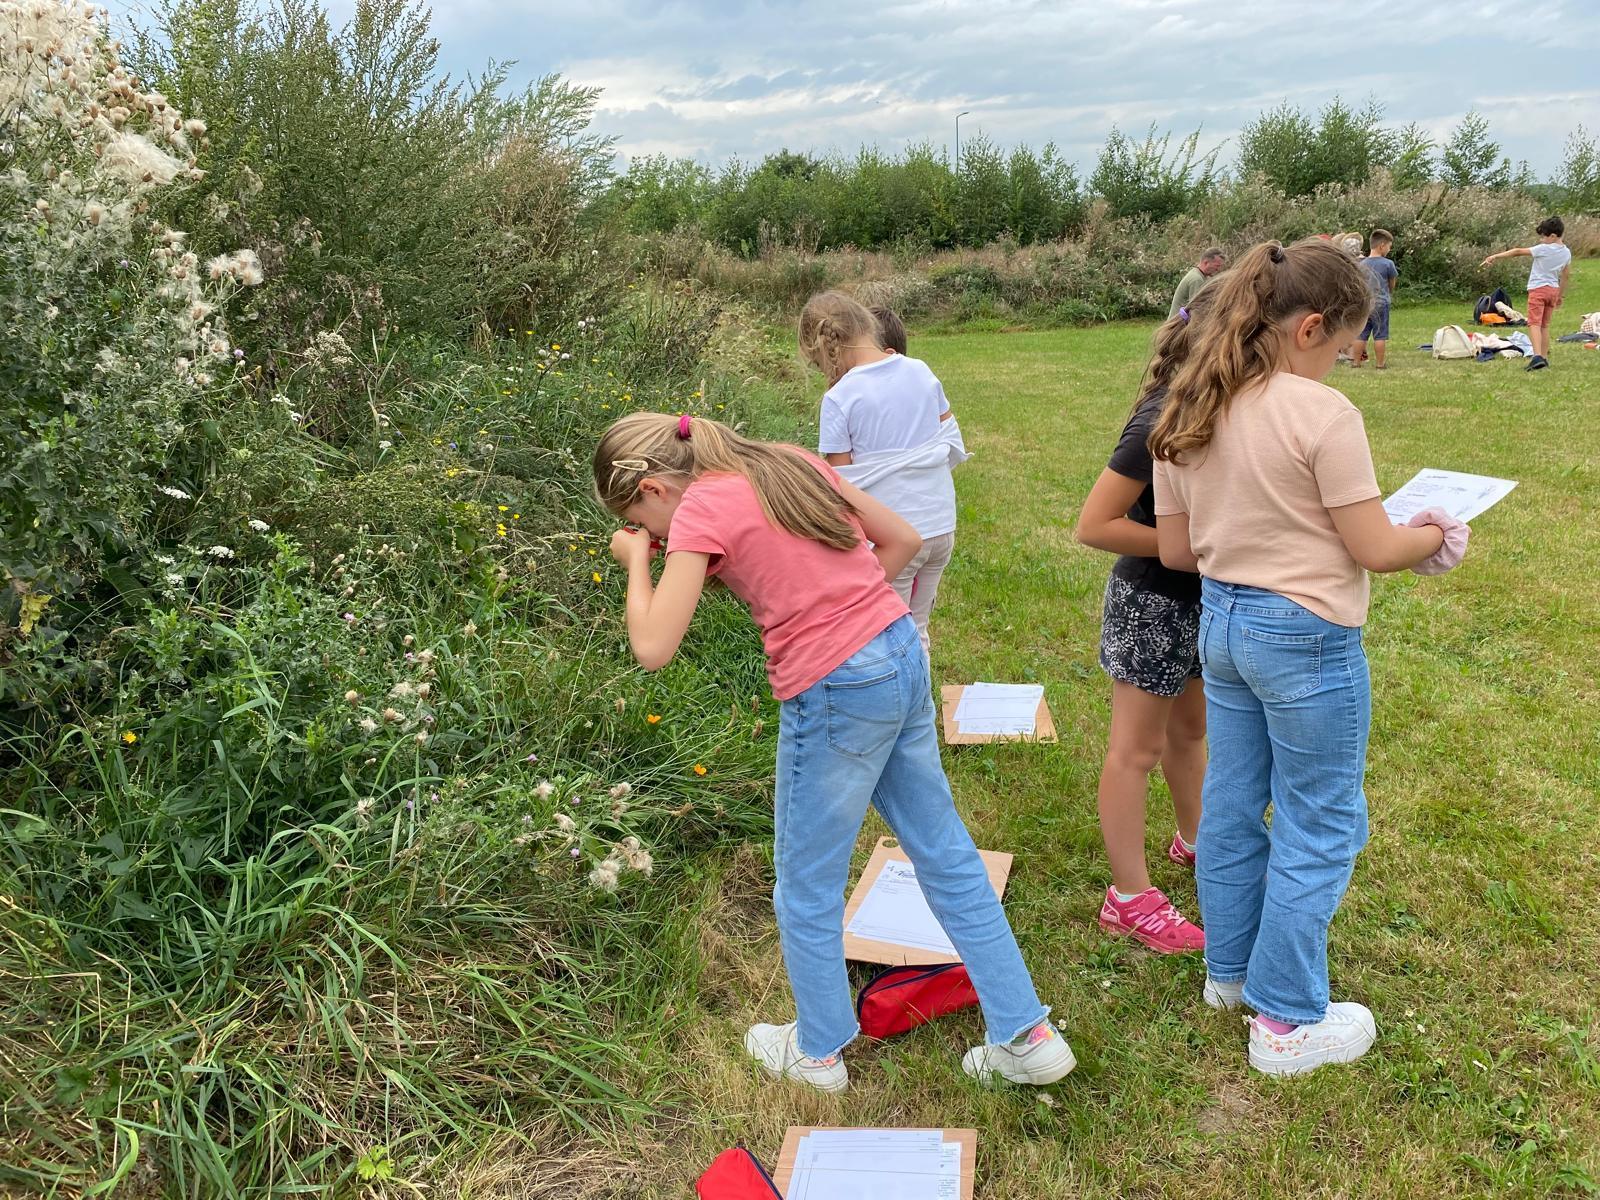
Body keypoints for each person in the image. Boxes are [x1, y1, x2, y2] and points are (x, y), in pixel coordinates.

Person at [594, 412, 1075, 1091]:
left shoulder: (700, 505)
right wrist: (842, 610)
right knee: (945, 853)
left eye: (647, 522)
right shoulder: (786, 460)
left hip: (835, 689)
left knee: (806, 885)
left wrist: (637, 562)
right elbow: (902, 540)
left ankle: (817, 1052)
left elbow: (652, 645)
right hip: (898, 650)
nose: (661, 536)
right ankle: (1026, 1033)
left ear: (651, 489)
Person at [1149, 239, 1470, 1077]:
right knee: (1321, 819)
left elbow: (1179, 552)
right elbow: (1372, 545)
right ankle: (1287, 1019)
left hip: (1221, 624)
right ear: (1310, 329)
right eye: (1339, 350)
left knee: (1229, 801)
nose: (1340, 365)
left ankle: (1230, 972)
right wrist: (1436, 531)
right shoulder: (1323, 415)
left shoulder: (1188, 407)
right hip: (1305, 636)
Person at [1074, 291, 1215, 955]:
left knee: (1192, 730)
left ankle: (1197, 840)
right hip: (1152, 604)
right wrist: (1182, 549)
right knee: (1137, 750)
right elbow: (1093, 525)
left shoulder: (1224, 409)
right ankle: (1127, 898)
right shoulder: (1161, 418)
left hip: (1200, 600)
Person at [801, 291, 967, 657]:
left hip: (893, 536)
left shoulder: (840, 398)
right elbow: (949, 440)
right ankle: (921, 710)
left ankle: (902, 713)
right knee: (917, 627)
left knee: (885, 635)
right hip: (941, 525)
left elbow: (840, 484)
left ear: (826, 351)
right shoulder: (920, 369)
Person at [1481, 216, 1571, 371]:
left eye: (1544, 236)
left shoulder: (1543, 249)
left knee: (1534, 323)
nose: (1542, 240)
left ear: (1553, 236)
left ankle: (1536, 357)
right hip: (1553, 290)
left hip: (1538, 289)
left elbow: (1517, 252)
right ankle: (1544, 358)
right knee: (1545, 326)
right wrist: (1560, 296)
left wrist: (1495, 256)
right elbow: (1566, 275)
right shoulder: (1566, 252)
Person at [1349, 229, 1398, 370]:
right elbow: (1392, 282)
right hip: (1381, 303)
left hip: (1365, 304)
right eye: (1389, 246)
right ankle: (1380, 364)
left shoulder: (1361, 264)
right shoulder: (1388, 264)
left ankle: (1356, 362)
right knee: (1380, 335)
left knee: (1361, 334)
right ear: (1382, 246)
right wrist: (1389, 292)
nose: (1389, 249)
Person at [1169, 247, 1226, 319]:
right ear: (1206, 263)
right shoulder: (1196, 279)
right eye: (1217, 266)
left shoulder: (1201, 276)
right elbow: (1197, 309)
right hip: (1178, 326)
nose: (1218, 269)